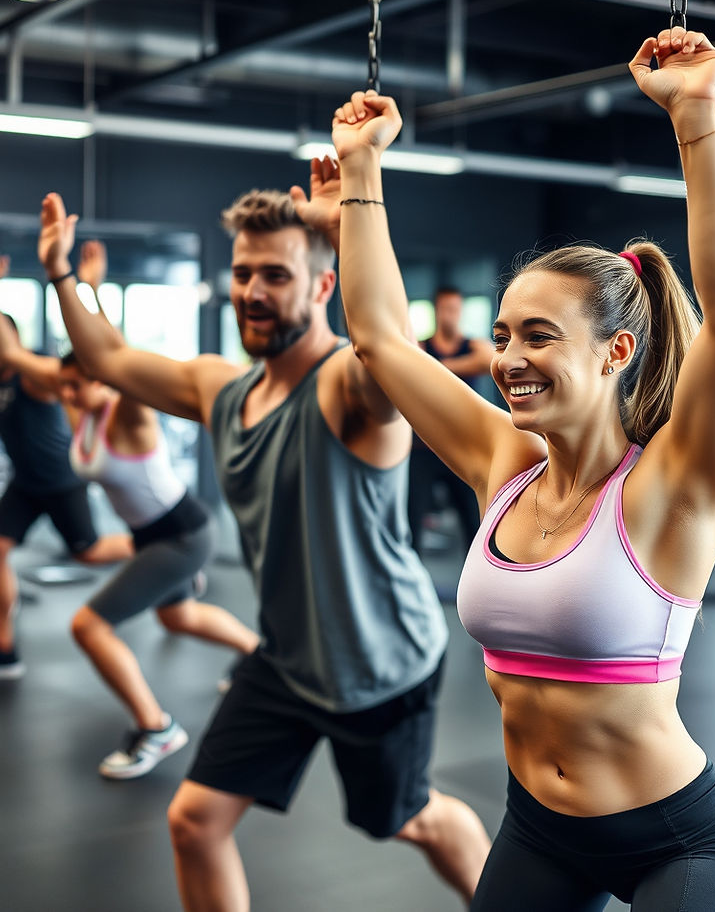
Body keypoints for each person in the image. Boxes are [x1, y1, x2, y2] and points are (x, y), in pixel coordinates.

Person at [333, 25, 715, 910]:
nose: (509, 358)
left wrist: (696, 116)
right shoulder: (507, 465)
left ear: (616, 352)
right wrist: (363, 169)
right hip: (537, 828)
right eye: (501, 335)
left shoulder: (671, 488)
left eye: (538, 336)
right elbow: (378, 336)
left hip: (678, 842)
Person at [36, 188, 491, 909]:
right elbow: (110, 357)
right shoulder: (221, 387)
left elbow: (388, 348)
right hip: (285, 658)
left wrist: (355, 218)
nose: (253, 290)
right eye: (245, 272)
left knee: (410, 820)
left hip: (380, 665)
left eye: (276, 275)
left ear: (321, 285)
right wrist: (61, 273)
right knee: (194, 821)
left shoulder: (350, 390)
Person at [0, 239, 259, 779]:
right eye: (66, 385)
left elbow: (119, 353)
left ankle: (156, 728)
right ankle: (256, 652)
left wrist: (94, 292)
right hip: (152, 537)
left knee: (89, 626)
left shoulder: (129, 413)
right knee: (177, 617)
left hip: (182, 533)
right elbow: (10, 355)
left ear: (104, 380)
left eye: (79, 383)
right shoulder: (76, 404)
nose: (69, 393)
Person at [0, 244, 133, 682]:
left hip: (61, 478)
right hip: (25, 482)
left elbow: (97, 359)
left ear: (12, 340)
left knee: (91, 552)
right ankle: (3, 649)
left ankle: (155, 546)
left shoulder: (35, 374)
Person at [409, 287, 492, 556]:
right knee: (413, 524)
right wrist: (453, 365)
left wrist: (437, 367)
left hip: (463, 448)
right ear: (436, 311)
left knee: (474, 523)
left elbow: (489, 359)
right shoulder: (421, 346)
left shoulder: (474, 345)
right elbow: (411, 368)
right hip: (424, 448)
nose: (450, 315)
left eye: (455, 309)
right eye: (445, 309)